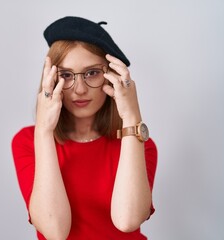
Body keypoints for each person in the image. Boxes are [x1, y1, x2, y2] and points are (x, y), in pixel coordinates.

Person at [11, 16, 157, 240]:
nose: (79, 89)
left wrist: (131, 117)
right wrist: (44, 131)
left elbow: (127, 220)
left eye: (92, 73)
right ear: (50, 80)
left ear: (111, 77)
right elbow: (54, 231)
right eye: (66, 75)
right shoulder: (27, 141)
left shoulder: (137, 142)